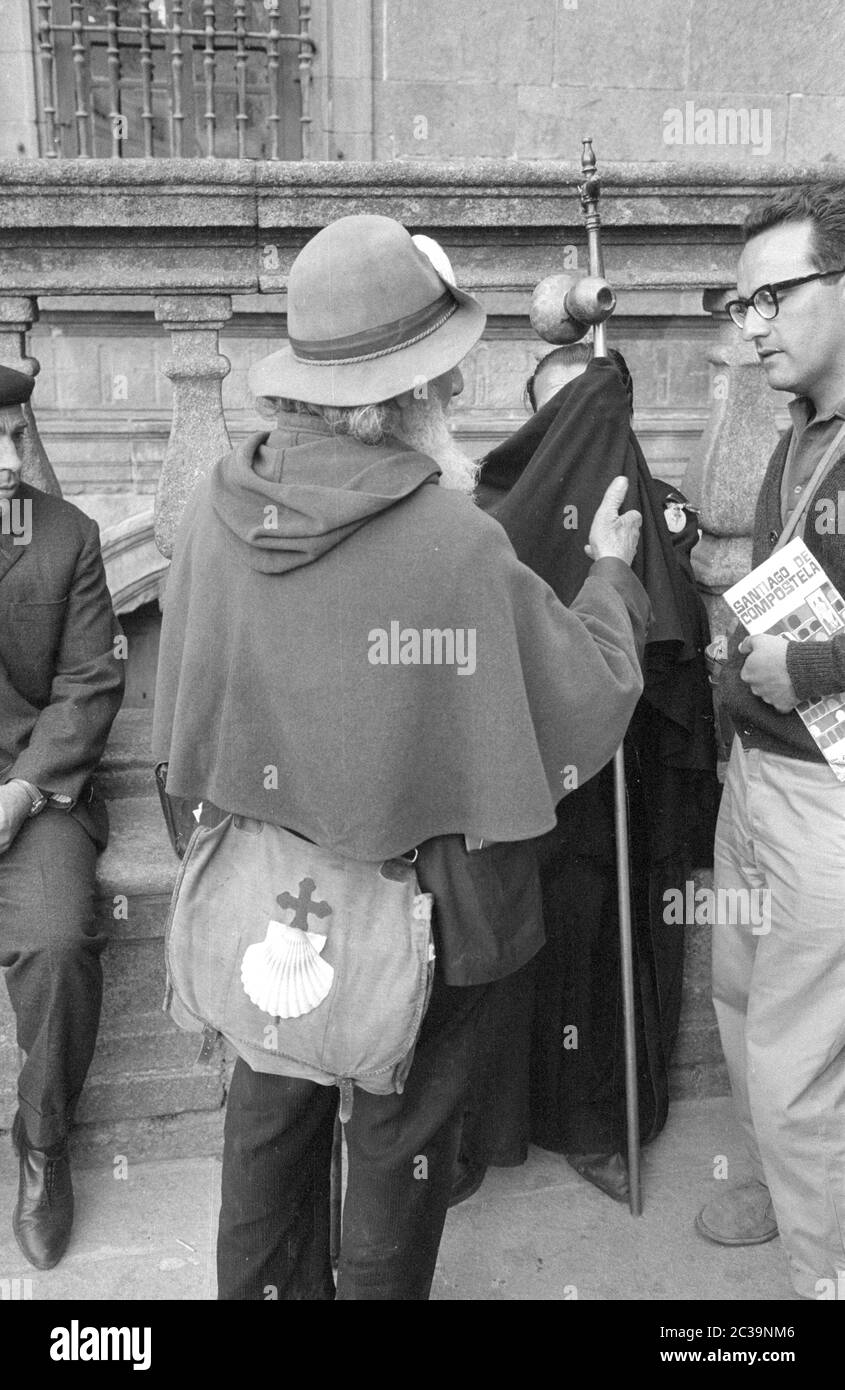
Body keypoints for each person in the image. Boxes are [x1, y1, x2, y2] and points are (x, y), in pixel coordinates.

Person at [152, 213, 652, 1300]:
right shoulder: (452, 542)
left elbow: (180, 729)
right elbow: (582, 700)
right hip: (425, 923)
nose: (456, 397)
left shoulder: (211, 508)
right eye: (447, 377)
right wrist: (611, 575)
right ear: (410, 391)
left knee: (267, 1124)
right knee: (396, 1155)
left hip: (262, 899)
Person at [458, 345, 717, 1205]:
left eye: (587, 412)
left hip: (626, 780)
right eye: (553, 415)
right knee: (510, 941)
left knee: (609, 938)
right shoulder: (493, 519)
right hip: (527, 772)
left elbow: (681, 652)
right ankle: (473, 1130)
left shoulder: (663, 510)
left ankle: (597, 1119)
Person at [696, 182, 845, 1300]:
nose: (750, 326)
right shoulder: (795, 426)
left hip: (822, 799)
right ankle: (777, 1185)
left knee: (799, 1068)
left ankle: (822, 1274)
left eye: (772, 298)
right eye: (739, 303)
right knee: (740, 1004)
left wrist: (805, 668)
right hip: (753, 775)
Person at [0, 365, 124, 1269]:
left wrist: (20, 793)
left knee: (59, 942)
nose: (12, 459)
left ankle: (42, 1146)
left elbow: (89, 682)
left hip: (37, 788)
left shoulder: (64, 536)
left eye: (14, 434)